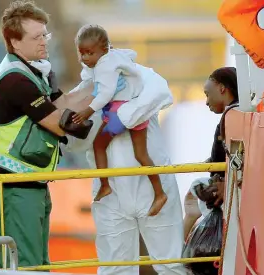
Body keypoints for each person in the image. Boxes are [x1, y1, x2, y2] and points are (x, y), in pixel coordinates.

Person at [0, 0, 126, 268]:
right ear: (14, 42)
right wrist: (99, 102)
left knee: (40, 262)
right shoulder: (16, 81)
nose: (44, 42)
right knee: (23, 264)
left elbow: (63, 103)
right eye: (36, 37)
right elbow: (62, 123)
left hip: (31, 181)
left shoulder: (35, 71)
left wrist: (101, 80)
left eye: (45, 35)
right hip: (11, 185)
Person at [63, 61, 188, 275]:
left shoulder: (140, 77)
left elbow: (161, 93)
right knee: (115, 267)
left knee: (171, 263)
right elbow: (74, 141)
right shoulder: (89, 91)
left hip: (150, 186)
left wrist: (122, 117)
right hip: (111, 191)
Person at [71, 24, 167, 216]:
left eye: (90, 53)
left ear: (104, 50)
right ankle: (159, 193)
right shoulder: (115, 57)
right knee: (142, 155)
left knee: (98, 145)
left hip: (118, 114)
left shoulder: (105, 65)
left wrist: (88, 111)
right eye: (82, 53)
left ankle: (105, 185)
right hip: (135, 112)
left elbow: (105, 93)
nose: (85, 58)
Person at [184, 67, 240, 233]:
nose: (206, 101)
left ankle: (176, 256)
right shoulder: (232, 115)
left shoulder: (233, 116)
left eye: (207, 94)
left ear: (222, 88)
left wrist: (225, 182)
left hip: (228, 192)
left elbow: (240, 155)